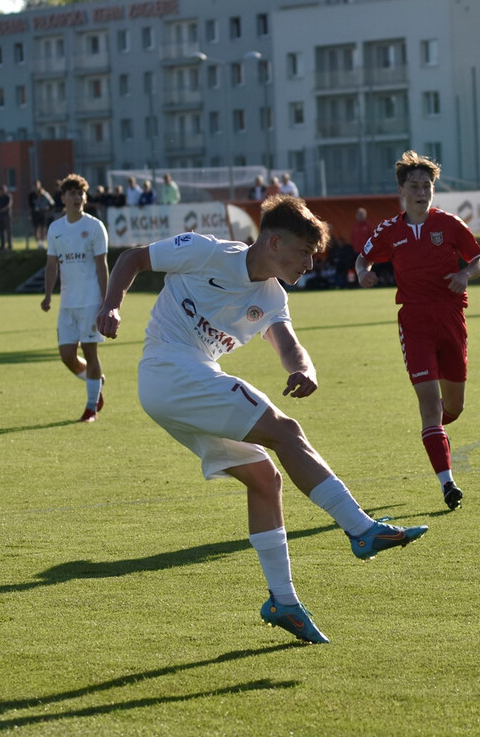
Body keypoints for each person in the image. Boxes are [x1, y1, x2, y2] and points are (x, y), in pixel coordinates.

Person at [95, 194, 428, 645]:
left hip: (185, 383)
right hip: (168, 369)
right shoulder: (207, 251)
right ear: (273, 243)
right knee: (285, 430)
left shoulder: (271, 294)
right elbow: (133, 257)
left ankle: (284, 603)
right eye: (304, 252)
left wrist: (303, 367)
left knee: (265, 478)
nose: (310, 263)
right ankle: (361, 530)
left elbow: (287, 341)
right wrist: (112, 304)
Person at [355, 151, 480, 510]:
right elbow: (363, 256)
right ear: (401, 190)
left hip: (451, 320)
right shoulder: (390, 230)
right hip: (414, 322)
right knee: (430, 405)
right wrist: (362, 272)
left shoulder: (449, 225)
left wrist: (464, 274)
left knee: (453, 408)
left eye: (426, 186)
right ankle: (448, 484)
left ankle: (435, 432)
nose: (421, 192)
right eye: (414, 186)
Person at [40, 174, 109, 422]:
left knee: (91, 354)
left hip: (91, 301)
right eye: (72, 193)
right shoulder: (56, 229)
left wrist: (107, 300)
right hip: (67, 303)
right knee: (67, 356)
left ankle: (91, 408)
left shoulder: (94, 227)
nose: (77, 198)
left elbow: (102, 265)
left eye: (81, 193)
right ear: (63, 198)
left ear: (85, 198)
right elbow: (51, 265)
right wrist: (48, 295)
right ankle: (96, 382)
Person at [29, 180, 55, 249]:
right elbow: (31, 206)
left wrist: (47, 208)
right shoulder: (31, 195)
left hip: (43, 214)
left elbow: (51, 203)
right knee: (35, 229)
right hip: (35, 214)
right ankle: (38, 242)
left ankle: (42, 242)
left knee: (42, 228)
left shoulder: (44, 194)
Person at [0, 184, 13, 250]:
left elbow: (9, 205)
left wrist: (3, 209)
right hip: (0, 216)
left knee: (8, 231)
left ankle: (10, 245)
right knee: (1, 231)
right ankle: (2, 245)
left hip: (7, 216)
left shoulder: (8, 197)